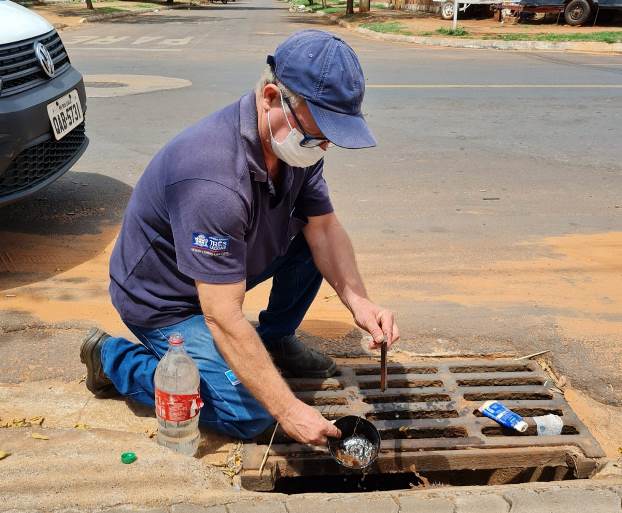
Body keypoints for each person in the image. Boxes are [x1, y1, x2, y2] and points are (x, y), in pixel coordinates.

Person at [80, 29, 399, 447]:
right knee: (249, 414)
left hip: (224, 268)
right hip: (166, 300)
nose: (323, 146)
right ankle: (111, 359)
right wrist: (286, 409)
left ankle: (275, 339)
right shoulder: (213, 179)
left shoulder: (293, 143)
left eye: (330, 138)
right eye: (319, 132)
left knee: (308, 240)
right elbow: (222, 316)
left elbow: (323, 227)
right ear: (271, 98)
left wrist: (360, 302)